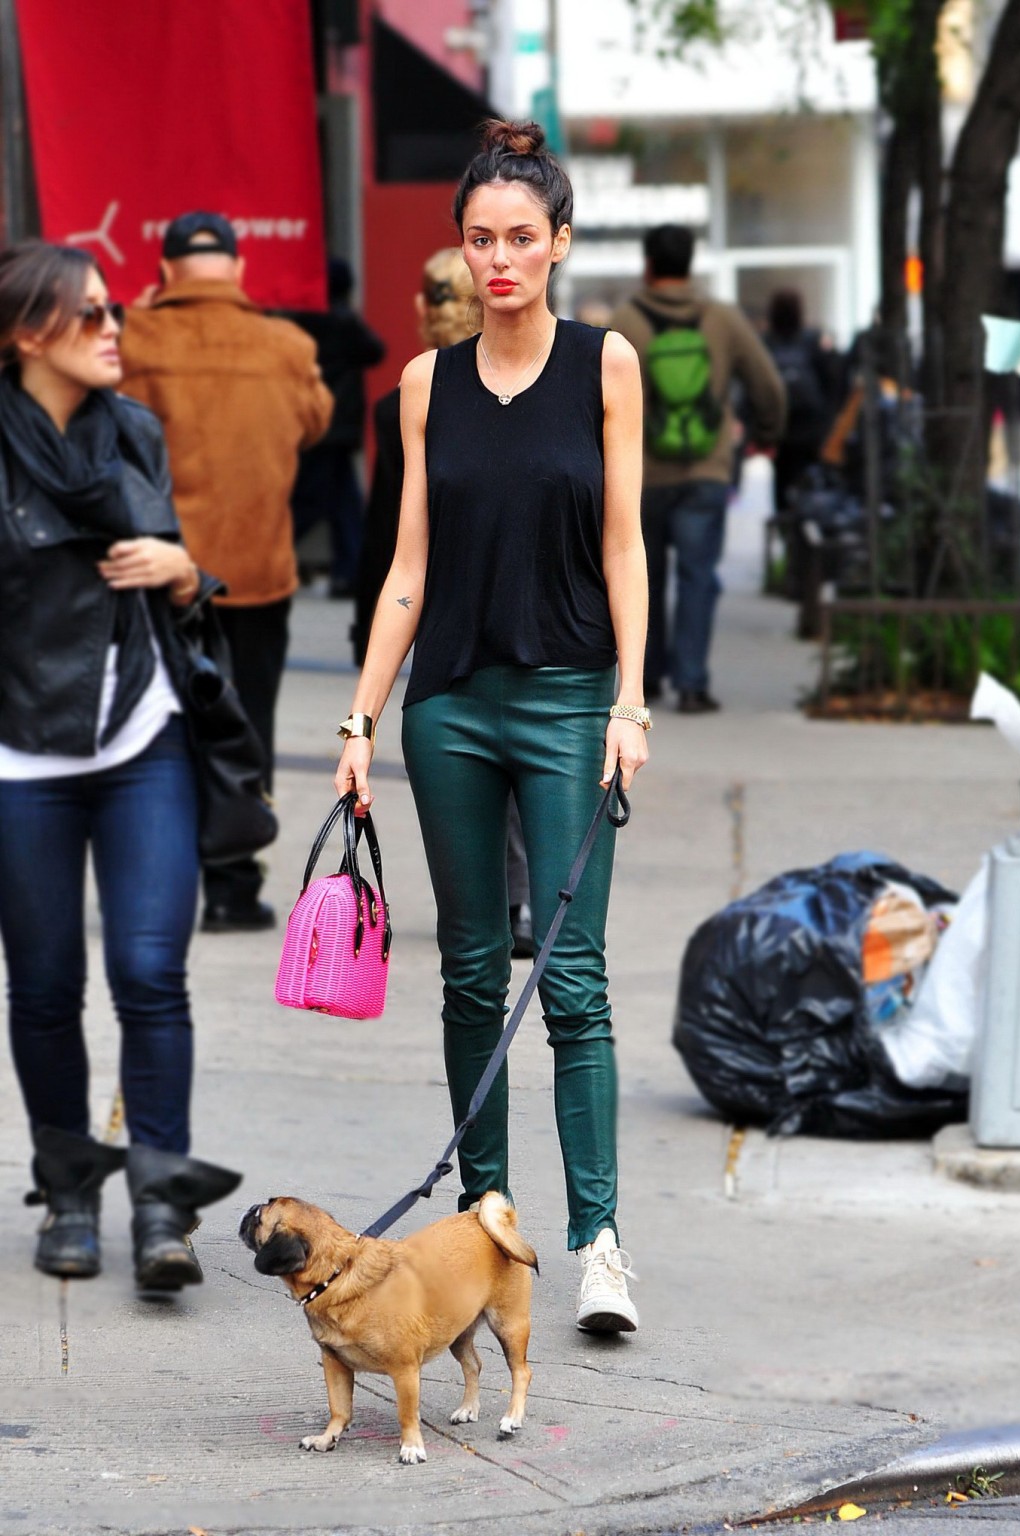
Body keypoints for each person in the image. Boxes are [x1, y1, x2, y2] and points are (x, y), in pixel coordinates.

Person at [335, 119, 650, 1334]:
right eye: (481, 241)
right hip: (451, 705)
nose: (500, 261)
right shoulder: (426, 384)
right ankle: (489, 1224)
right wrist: (362, 715)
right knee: (472, 974)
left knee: (572, 979)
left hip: (573, 698)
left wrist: (632, 697)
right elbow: (407, 566)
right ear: (460, 251)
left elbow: (624, 542)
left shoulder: (603, 365)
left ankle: (601, 1243)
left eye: (523, 239)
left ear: (560, 244)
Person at [0, 241, 240, 1290]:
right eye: (89, 315)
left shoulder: (133, 430)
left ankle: (158, 1204)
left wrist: (186, 571)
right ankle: (67, 1192)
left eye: (114, 313)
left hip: (140, 736)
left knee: (150, 974)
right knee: (46, 987)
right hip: (19, 751)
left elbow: (179, 577)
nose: (113, 329)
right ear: (25, 336)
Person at [119, 211, 334, 932]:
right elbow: (315, 423)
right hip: (258, 572)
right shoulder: (288, 344)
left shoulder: (133, 336)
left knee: (162, 727)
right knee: (248, 726)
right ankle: (235, 886)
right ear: (239, 271)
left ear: (165, 271)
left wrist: (141, 314)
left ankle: (167, 877)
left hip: (159, 575)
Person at [353, 247, 531, 961]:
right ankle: (509, 901)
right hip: (516, 611)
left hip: (443, 619)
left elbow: (384, 537)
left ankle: (494, 901)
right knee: (510, 772)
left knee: (477, 769)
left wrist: (367, 631)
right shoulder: (415, 398)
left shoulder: (401, 402)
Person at [610, 225, 786, 712]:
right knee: (698, 576)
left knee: (643, 575)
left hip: (640, 474)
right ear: (690, 264)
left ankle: (648, 677)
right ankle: (691, 684)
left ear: (648, 265)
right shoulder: (722, 319)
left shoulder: (625, 320)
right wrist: (766, 434)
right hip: (706, 470)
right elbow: (767, 384)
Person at [282, 257, 386, 597]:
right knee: (323, 501)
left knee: (333, 499)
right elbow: (375, 351)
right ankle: (341, 570)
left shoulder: (302, 319)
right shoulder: (343, 320)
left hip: (311, 420)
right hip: (340, 425)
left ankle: (348, 571)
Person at [763, 288, 840, 518]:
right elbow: (831, 380)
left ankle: (786, 530)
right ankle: (805, 529)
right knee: (811, 482)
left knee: (782, 482)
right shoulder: (813, 341)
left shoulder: (767, 344)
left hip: (782, 429)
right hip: (812, 430)